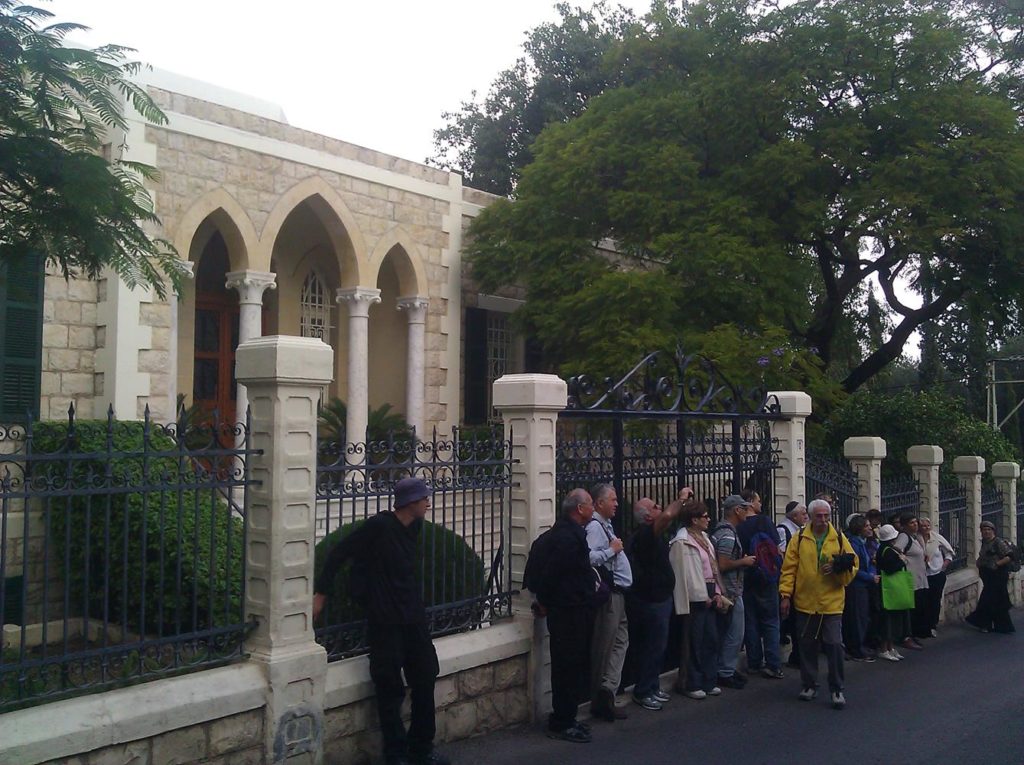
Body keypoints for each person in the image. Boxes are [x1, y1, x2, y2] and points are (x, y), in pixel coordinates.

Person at [313, 477, 450, 765]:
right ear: (410, 501)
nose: (428, 501)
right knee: (389, 688)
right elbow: (339, 553)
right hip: (385, 620)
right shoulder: (379, 527)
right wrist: (322, 593)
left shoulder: (415, 527)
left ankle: (421, 749)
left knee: (426, 676)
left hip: (413, 617)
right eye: (424, 497)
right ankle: (396, 755)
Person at [531, 488, 599, 743]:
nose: (592, 508)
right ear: (579, 509)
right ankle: (561, 721)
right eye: (590, 504)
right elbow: (553, 573)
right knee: (566, 667)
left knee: (572, 666)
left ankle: (568, 718)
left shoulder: (571, 533)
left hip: (574, 609)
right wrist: (545, 601)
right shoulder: (567, 538)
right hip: (567, 611)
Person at [779, 498, 858, 709]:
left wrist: (837, 569)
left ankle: (837, 688)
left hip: (831, 603)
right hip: (805, 602)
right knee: (806, 646)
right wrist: (785, 595)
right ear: (810, 517)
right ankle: (809, 684)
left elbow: (853, 565)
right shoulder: (799, 539)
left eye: (826, 516)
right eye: (818, 516)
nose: (822, 520)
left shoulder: (839, 539)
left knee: (833, 645)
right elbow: (789, 569)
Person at [625, 494, 685, 710]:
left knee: (658, 646)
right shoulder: (644, 536)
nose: (660, 507)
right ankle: (643, 690)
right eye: (655, 506)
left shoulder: (652, 536)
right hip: (651, 600)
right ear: (648, 516)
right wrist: (682, 499)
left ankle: (651, 685)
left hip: (660, 598)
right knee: (651, 646)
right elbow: (669, 515)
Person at [669, 498, 727, 700]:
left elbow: (713, 567)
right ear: (693, 520)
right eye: (705, 516)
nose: (709, 519)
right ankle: (691, 682)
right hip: (695, 595)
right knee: (694, 641)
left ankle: (708, 679)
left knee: (711, 639)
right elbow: (683, 574)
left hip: (711, 588)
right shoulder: (682, 542)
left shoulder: (705, 538)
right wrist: (701, 596)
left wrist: (718, 592)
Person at [586, 483, 632, 721]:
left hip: (619, 594)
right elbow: (589, 557)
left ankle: (608, 690)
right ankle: (600, 698)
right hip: (609, 595)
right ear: (599, 503)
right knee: (605, 644)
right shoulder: (595, 527)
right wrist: (612, 550)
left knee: (620, 642)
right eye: (612, 500)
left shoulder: (606, 526)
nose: (616, 504)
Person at [737, 489, 784, 679]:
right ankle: (773, 663)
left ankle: (754, 662)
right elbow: (776, 546)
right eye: (758, 500)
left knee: (751, 621)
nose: (760, 504)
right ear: (750, 502)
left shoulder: (738, 526)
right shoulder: (763, 521)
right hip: (766, 575)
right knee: (771, 621)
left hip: (746, 575)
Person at [711, 495, 756, 689]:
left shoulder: (723, 531)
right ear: (737, 510)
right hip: (730, 591)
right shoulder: (728, 535)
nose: (748, 512)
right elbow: (723, 564)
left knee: (729, 633)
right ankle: (725, 671)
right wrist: (743, 562)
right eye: (745, 508)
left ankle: (725, 668)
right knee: (734, 634)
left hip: (729, 589)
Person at [965, 520, 1016, 634]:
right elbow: (984, 556)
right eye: (984, 530)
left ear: (993, 531)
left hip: (997, 576)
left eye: (989, 529)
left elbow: (1009, 556)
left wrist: (997, 564)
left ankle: (984, 623)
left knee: (987, 600)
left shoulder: (998, 542)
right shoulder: (985, 542)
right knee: (996, 601)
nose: (986, 532)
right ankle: (998, 625)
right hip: (988, 577)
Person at [842, 514, 877, 662]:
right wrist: (870, 577)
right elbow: (854, 568)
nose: (870, 528)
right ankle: (856, 648)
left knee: (863, 617)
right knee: (858, 618)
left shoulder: (862, 542)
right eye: (867, 526)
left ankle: (860, 645)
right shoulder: (854, 544)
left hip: (864, 584)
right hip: (857, 585)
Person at [776, 500, 807, 667]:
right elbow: (781, 555)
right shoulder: (783, 530)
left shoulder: (799, 530)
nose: (806, 517)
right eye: (803, 514)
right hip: (789, 580)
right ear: (794, 516)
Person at [875, 524, 912, 662]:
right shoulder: (887, 551)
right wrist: (901, 562)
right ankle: (884, 648)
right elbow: (890, 569)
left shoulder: (887, 549)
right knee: (887, 619)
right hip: (888, 588)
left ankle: (890, 647)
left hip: (890, 587)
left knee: (892, 618)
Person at [894, 512, 927, 648]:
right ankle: (906, 636)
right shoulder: (904, 537)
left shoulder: (914, 537)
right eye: (912, 523)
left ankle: (912, 635)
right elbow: (896, 550)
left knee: (916, 609)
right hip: (910, 580)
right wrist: (904, 559)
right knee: (909, 611)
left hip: (918, 579)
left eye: (915, 522)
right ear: (905, 526)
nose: (915, 525)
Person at [918, 517, 954, 637]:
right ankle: (923, 627)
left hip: (937, 574)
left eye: (928, 525)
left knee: (935, 601)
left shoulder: (937, 538)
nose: (926, 528)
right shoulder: (916, 539)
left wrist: (944, 565)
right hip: (923, 575)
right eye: (923, 526)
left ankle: (933, 625)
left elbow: (949, 552)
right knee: (923, 602)